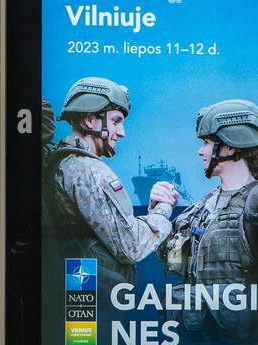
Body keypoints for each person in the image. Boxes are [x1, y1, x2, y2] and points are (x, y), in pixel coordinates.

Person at [159, 99, 258, 345]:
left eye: (206, 142)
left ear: (231, 144)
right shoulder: (201, 208)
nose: (200, 151)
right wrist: (156, 210)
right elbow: (169, 260)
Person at [44, 76, 178, 290]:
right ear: (90, 120)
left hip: (78, 287)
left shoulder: (62, 162)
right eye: (116, 121)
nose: (122, 133)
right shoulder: (88, 170)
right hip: (93, 293)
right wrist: (162, 211)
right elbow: (131, 246)